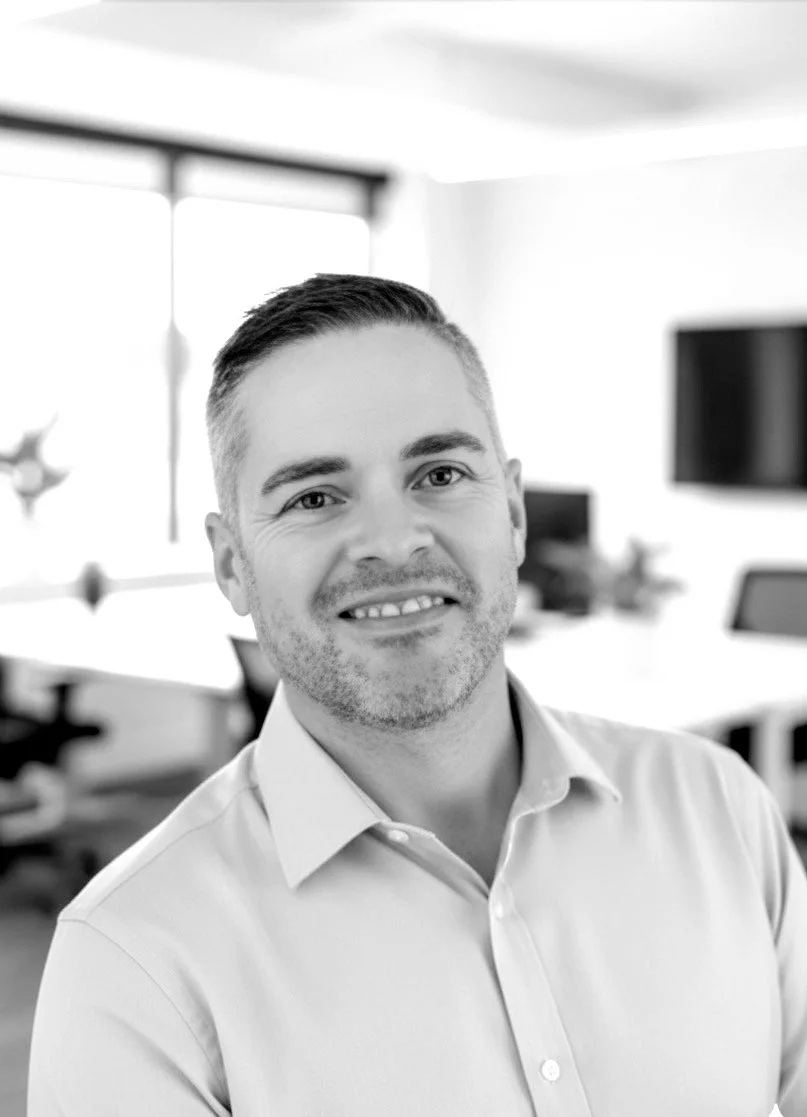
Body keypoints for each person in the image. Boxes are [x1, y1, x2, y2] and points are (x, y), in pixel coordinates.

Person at [28, 274, 807, 1115]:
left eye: (438, 473)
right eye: (314, 497)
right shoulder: (133, 962)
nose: (394, 542)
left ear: (510, 512)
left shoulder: (721, 809)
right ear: (231, 563)